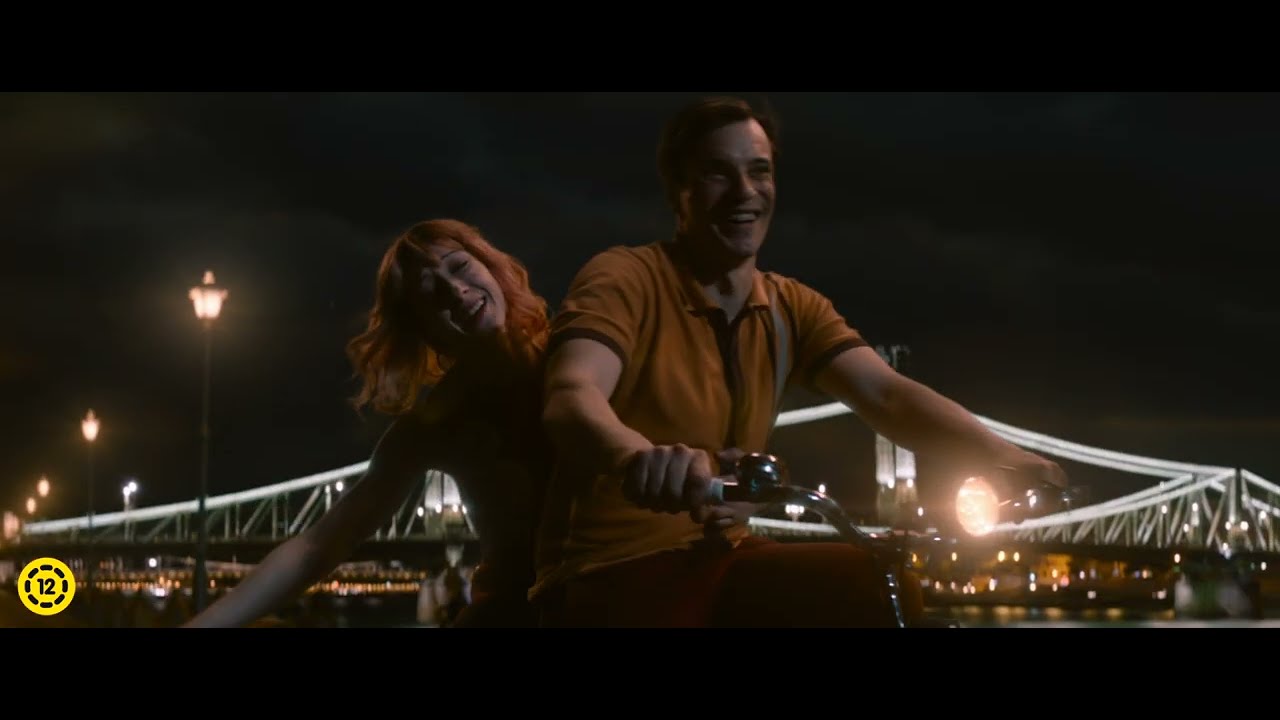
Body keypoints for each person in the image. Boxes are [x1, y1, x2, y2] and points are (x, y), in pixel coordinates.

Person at [532, 95, 1069, 627]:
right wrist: (636, 459)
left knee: (877, 585)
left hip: (723, 556)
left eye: (759, 171)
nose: (745, 192)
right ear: (679, 189)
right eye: (718, 173)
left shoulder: (790, 307)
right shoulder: (626, 278)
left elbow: (888, 395)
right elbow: (573, 394)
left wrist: (1010, 459)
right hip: (610, 567)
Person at [184, 218, 553, 628]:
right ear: (423, 331)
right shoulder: (437, 424)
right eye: (429, 291)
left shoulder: (579, 355)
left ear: (492, 267)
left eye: (460, 266)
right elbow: (316, 548)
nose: (454, 290)